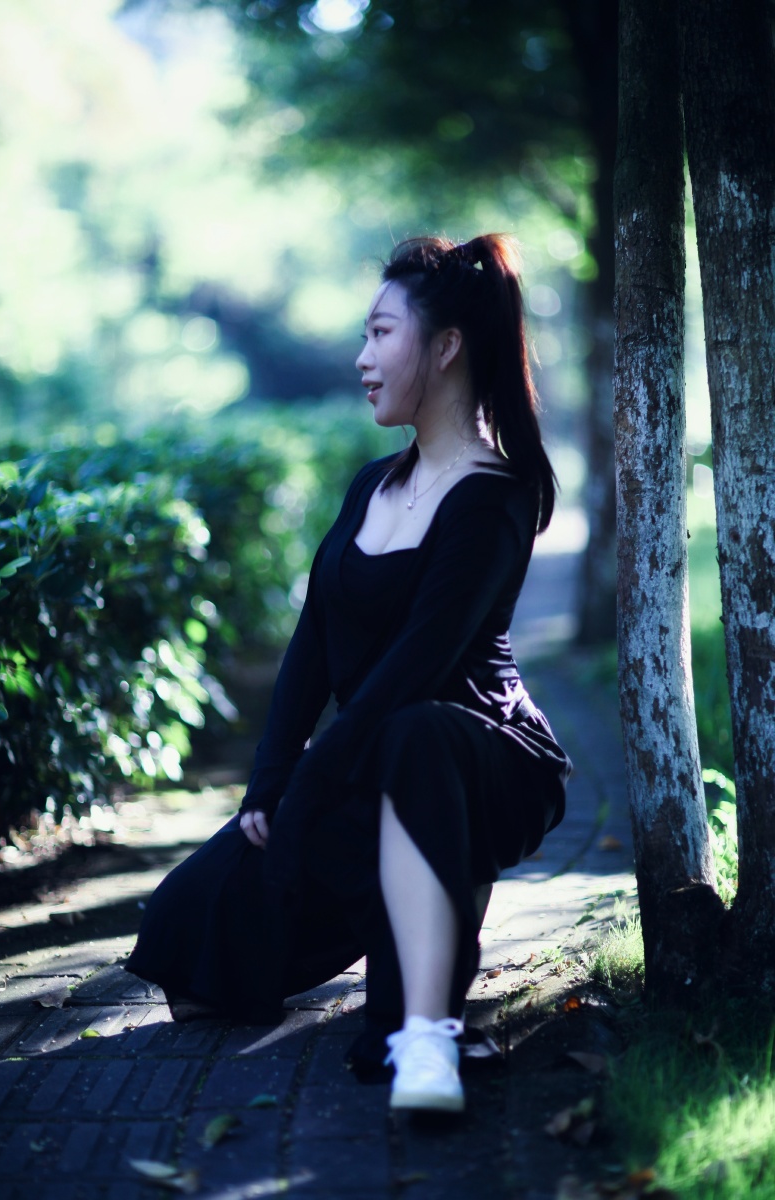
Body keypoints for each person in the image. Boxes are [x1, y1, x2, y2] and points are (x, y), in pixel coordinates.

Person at [125, 233, 571, 1114]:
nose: (363, 358)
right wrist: (270, 782)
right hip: (367, 759)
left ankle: (422, 1030)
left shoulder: (496, 496)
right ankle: (408, 906)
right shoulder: (373, 485)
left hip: (479, 757)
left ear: (446, 347)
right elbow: (312, 644)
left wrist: (311, 791)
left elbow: (415, 669)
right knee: (189, 938)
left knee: (413, 733)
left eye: (380, 333)